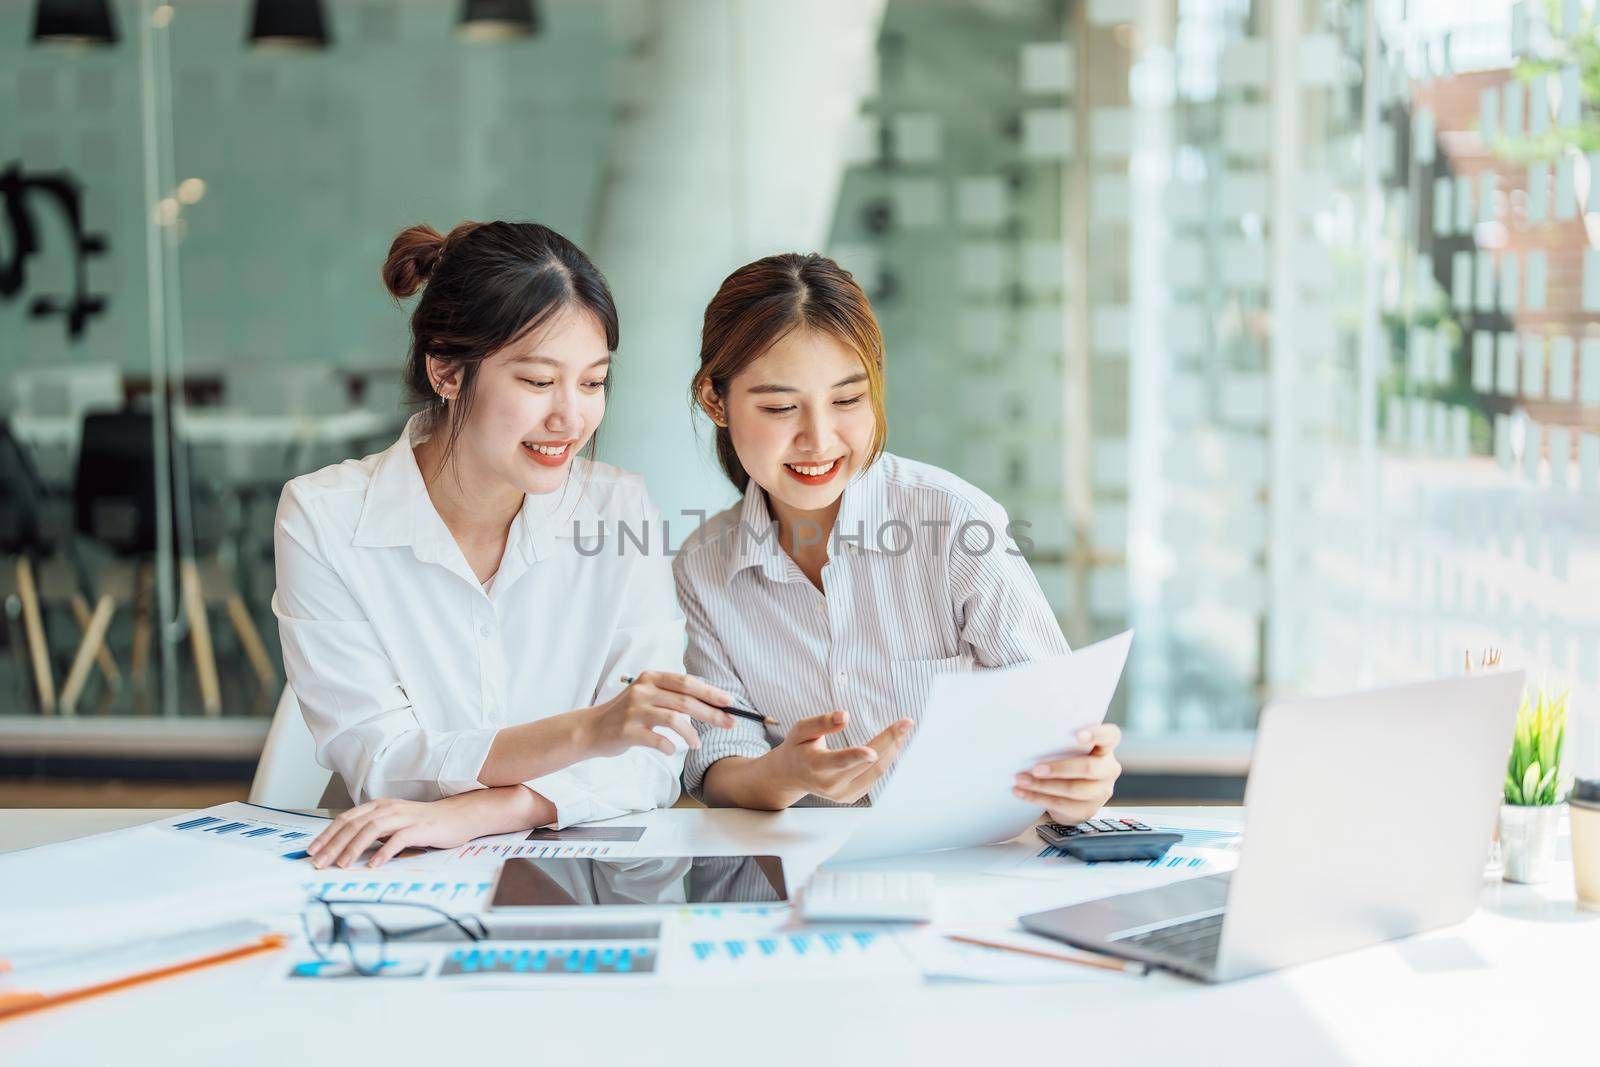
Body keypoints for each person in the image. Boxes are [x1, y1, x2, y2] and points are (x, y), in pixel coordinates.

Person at [273, 220, 734, 870]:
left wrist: (497, 807)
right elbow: (383, 761)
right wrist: (586, 733)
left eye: (593, 382)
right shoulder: (323, 518)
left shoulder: (617, 509)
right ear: (447, 371)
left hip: (584, 877)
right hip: (408, 875)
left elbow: (654, 758)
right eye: (538, 381)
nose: (570, 418)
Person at [674, 252, 1122, 820]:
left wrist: (1084, 781)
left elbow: (1061, 729)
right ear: (716, 400)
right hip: (796, 881)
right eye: (781, 406)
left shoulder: (955, 524)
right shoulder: (704, 566)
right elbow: (716, 765)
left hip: (966, 871)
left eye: (847, 400)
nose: (819, 439)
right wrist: (781, 774)